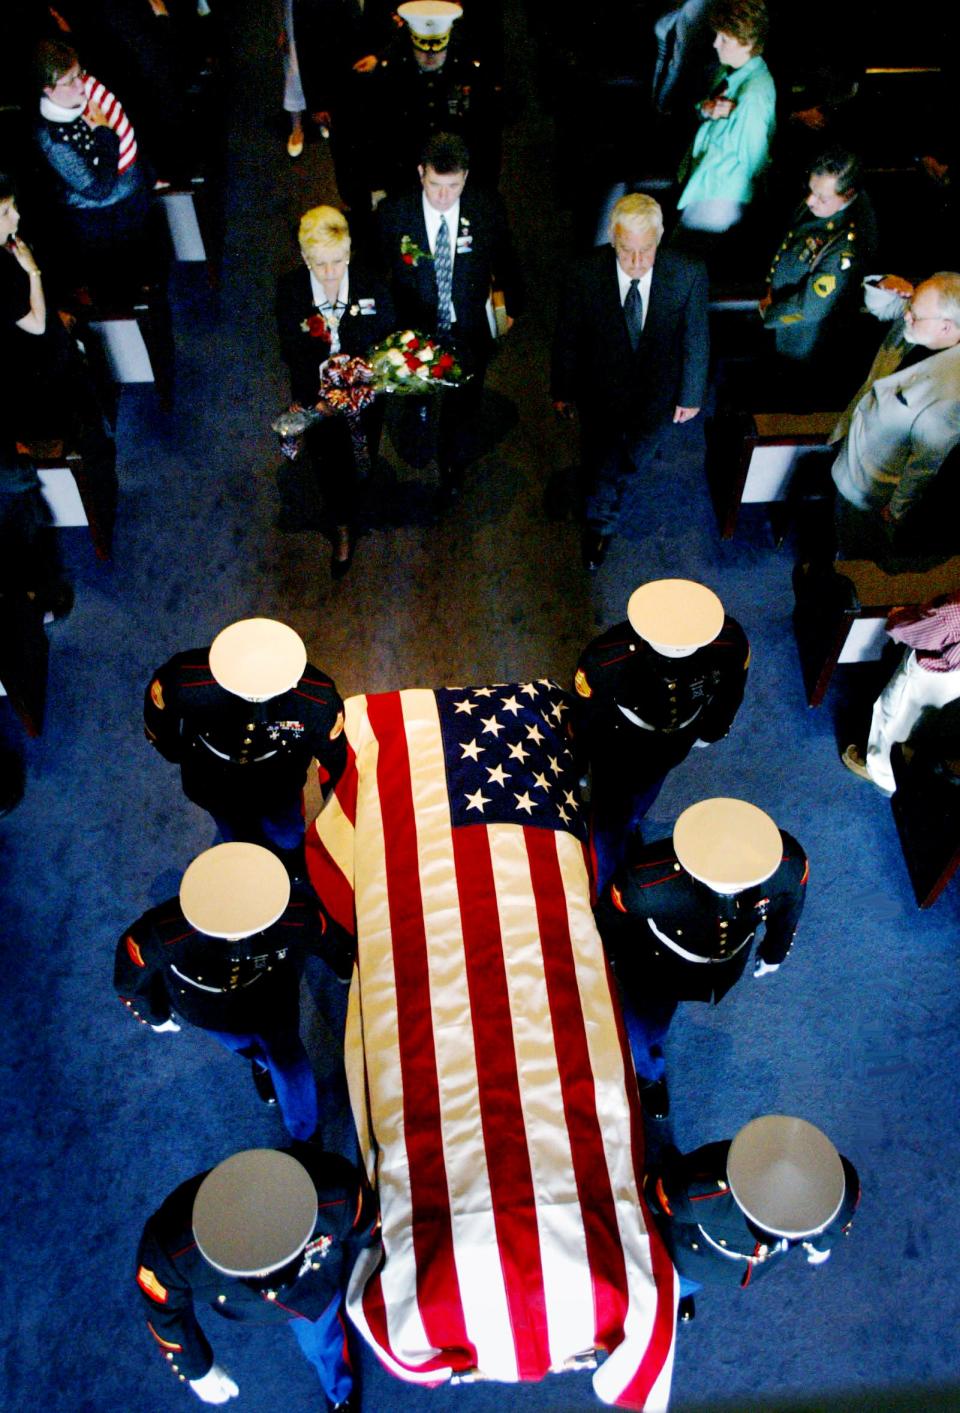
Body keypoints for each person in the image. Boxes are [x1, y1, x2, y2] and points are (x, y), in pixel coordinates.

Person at [114, 843, 353, 1141]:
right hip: (209, 1009)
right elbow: (130, 980)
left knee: (291, 1063)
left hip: (272, 997)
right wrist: (155, 1015)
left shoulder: (295, 915)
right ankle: (261, 1064)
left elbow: (328, 939)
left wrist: (345, 968)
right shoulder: (161, 933)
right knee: (247, 1049)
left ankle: (304, 1131)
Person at [596, 798, 807, 1118]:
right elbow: (610, 923)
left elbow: (790, 906)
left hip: (725, 965)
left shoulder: (787, 864)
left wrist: (775, 950)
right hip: (657, 966)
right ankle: (649, 1075)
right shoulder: (645, 886)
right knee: (643, 1027)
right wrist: (609, 962)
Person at [135, 1145, 378, 1410]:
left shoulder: (334, 1193)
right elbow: (164, 1313)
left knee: (321, 1344)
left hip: (308, 1292)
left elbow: (370, 1227)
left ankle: (339, 1392)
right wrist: (196, 1369)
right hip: (239, 1302)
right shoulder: (169, 1251)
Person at [551, 193, 708, 568]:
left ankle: (617, 483)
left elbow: (696, 337)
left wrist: (691, 393)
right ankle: (600, 525)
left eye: (646, 250)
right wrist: (562, 389)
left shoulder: (687, 273)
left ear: (660, 238)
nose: (636, 263)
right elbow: (567, 336)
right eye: (625, 251)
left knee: (634, 458)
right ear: (611, 237)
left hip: (657, 398)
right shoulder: (584, 273)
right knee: (601, 464)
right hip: (600, 395)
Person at [572, 578, 749, 891]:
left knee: (645, 793)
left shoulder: (729, 643)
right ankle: (606, 881)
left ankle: (629, 824)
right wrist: (582, 756)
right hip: (621, 742)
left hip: (676, 739)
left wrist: (712, 731)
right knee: (608, 815)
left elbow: (732, 691)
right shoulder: (605, 660)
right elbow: (586, 714)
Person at [378, 130, 523, 498]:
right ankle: (419, 414)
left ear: (466, 178)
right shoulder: (396, 213)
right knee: (418, 394)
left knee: (463, 404)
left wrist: (513, 308)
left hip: (468, 327)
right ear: (420, 172)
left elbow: (506, 258)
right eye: (435, 185)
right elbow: (376, 272)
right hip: (416, 326)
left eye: (453, 186)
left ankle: (452, 461)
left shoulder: (486, 209)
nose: (443, 197)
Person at [143, 617, 346, 870]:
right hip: (212, 781)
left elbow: (335, 756)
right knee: (236, 833)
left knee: (288, 832)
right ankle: (247, 858)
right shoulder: (183, 681)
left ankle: (290, 861)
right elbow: (159, 726)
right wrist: (176, 752)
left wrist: (339, 807)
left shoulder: (317, 700)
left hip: (278, 783)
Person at [644, 1115, 860, 1319]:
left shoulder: (706, 1191)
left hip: (697, 1254)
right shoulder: (841, 1185)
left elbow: (653, 1195)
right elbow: (829, 1233)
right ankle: (677, 1295)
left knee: (678, 1278)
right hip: (724, 1262)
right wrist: (819, 1247)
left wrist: (669, 1176)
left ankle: (672, 1295)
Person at [0, 174, 118, 549]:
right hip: (29, 369)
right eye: (6, 212)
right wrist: (32, 271)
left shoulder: (6, 244)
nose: (15, 217)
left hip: (35, 354)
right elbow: (34, 324)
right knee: (75, 418)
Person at [276, 206, 395, 576]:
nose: (330, 274)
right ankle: (342, 529)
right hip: (320, 402)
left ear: (349, 253)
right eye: (320, 264)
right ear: (304, 257)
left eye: (338, 262)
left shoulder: (371, 284)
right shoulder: (292, 292)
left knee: (365, 454)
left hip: (364, 396)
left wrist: (366, 379)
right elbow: (292, 354)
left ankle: (362, 498)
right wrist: (318, 400)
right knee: (329, 467)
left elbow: (385, 339)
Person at [828, 271, 960, 563]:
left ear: (946, 328)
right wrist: (885, 283)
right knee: (833, 523)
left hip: (869, 485)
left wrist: (897, 508)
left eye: (914, 314)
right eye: (910, 306)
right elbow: (883, 306)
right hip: (852, 442)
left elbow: (925, 463)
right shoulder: (922, 322)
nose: (906, 317)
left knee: (850, 547)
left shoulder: (952, 392)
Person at [33, 39, 155, 295]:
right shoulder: (54, 140)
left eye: (80, 74)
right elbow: (98, 188)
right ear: (48, 89)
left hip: (127, 196)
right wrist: (104, 132)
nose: (82, 85)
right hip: (101, 218)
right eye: (71, 81)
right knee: (121, 286)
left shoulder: (83, 94)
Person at [759, 148, 877, 400]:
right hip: (784, 313)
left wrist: (771, 314)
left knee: (793, 394)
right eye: (811, 191)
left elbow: (813, 307)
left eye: (821, 197)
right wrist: (771, 284)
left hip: (806, 337)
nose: (810, 201)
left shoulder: (847, 242)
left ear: (848, 195)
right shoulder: (824, 205)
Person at [362, 1, 501, 208]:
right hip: (405, 176)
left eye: (437, 51)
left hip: (454, 180)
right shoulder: (391, 74)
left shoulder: (470, 73)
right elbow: (378, 134)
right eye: (422, 50)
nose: (429, 57)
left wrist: (485, 189)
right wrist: (378, 186)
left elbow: (486, 135)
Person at [842, 591, 960, 794]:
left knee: (894, 719)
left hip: (932, 676)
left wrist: (899, 616)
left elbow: (914, 632)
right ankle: (903, 771)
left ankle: (882, 774)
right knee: (927, 722)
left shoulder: (954, 612)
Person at [675, 0, 775, 236]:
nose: (715, 43)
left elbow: (754, 161)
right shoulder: (729, 70)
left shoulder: (753, 96)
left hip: (719, 197)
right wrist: (706, 109)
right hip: (703, 184)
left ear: (747, 43)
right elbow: (704, 109)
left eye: (724, 39)